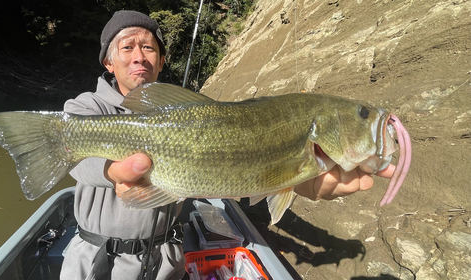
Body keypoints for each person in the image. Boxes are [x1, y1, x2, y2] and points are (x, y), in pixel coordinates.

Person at [60, 10, 395, 280]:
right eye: (127, 47)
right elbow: (75, 160)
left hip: (167, 261)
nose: (139, 57)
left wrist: (288, 180)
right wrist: (112, 170)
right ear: (108, 61)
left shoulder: (188, 113)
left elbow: (217, 172)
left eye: (149, 47)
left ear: (162, 62)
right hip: (94, 263)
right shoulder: (86, 108)